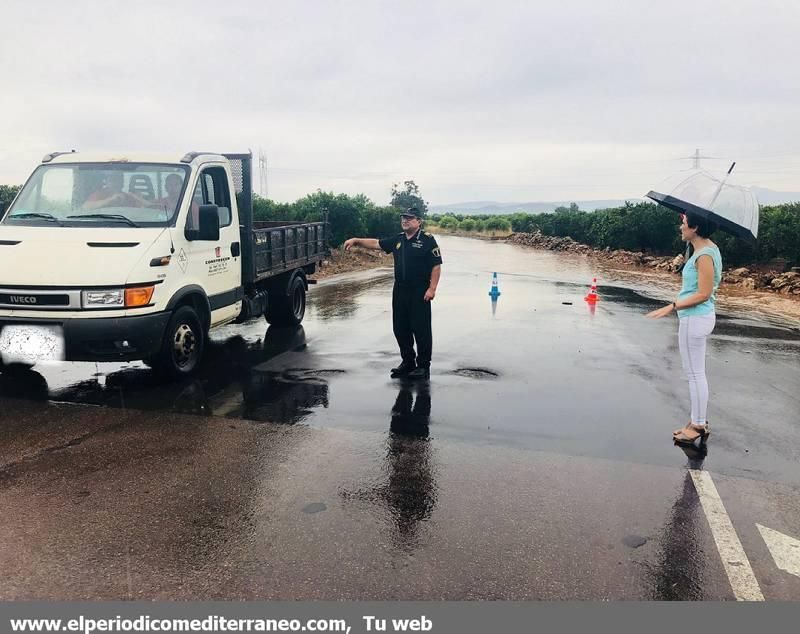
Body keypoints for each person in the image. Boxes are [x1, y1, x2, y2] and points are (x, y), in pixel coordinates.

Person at [646, 212, 722, 445]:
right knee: (695, 373)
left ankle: (698, 424)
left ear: (695, 227)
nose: (681, 227)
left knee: (695, 374)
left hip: (695, 319)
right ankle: (695, 420)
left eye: (684, 223)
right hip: (695, 318)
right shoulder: (703, 249)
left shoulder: (705, 254)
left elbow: (703, 293)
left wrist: (672, 306)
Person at [343, 207, 442, 380]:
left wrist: (432, 289)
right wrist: (357, 240)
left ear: (419, 221)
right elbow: (377, 244)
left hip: (420, 291)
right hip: (400, 290)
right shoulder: (399, 239)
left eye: (409, 218)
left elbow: (436, 265)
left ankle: (423, 366)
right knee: (400, 328)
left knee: (421, 329)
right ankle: (408, 362)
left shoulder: (427, 240)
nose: (405, 220)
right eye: (403, 218)